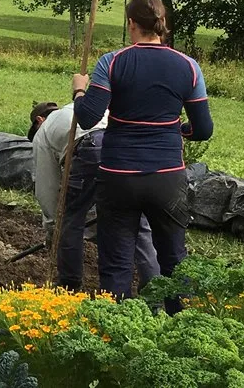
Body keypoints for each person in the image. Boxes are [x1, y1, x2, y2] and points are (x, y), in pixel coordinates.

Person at [73, 0, 213, 307]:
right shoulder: (189, 67)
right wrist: (176, 129)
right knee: (174, 259)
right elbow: (203, 130)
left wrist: (79, 91)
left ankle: (119, 325)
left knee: (116, 263)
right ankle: (180, 324)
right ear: (161, 24)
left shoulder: (112, 62)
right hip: (166, 177)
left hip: (118, 176)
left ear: (131, 23)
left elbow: (88, 117)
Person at [28, 102, 158, 292]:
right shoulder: (74, 108)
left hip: (92, 148)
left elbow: (47, 186)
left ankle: (69, 284)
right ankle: (154, 287)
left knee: (71, 219)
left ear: (39, 120)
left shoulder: (43, 132)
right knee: (136, 218)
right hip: (126, 146)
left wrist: (53, 227)